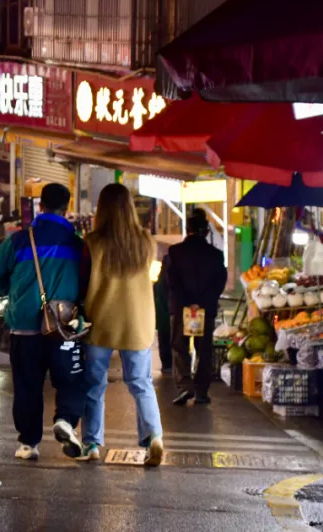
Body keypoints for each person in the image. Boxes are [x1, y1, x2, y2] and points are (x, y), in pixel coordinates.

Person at [0, 183, 86, 462]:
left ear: (40, 206)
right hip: (63, 326)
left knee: (27, 386)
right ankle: (65, 420)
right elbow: (87, 281)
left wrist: (12, 287)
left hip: (24, 327)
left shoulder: (20, 239)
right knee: (71, 380)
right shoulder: (76, 244)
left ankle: (28, 443)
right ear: (66, 208)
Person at [80, 183, 165, 467]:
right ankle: (154, 436)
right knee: (141, 383)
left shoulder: (92, 243)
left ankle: (92, 444)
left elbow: (83, 281)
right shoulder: (145, 242)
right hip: (137, 323)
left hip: (101, 321)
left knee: (94, 385)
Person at [165, 209, 228, 406]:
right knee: (204, 349)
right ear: (207, 231)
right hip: (205, 309)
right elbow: (219, 283)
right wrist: (201, 303)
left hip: (181, 308)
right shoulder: (216, 255)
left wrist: (188, 302)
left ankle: (185, 385)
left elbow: (172, 282)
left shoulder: (175, 252)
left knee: (179, 346)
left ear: (187, 229)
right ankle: (201, 391)